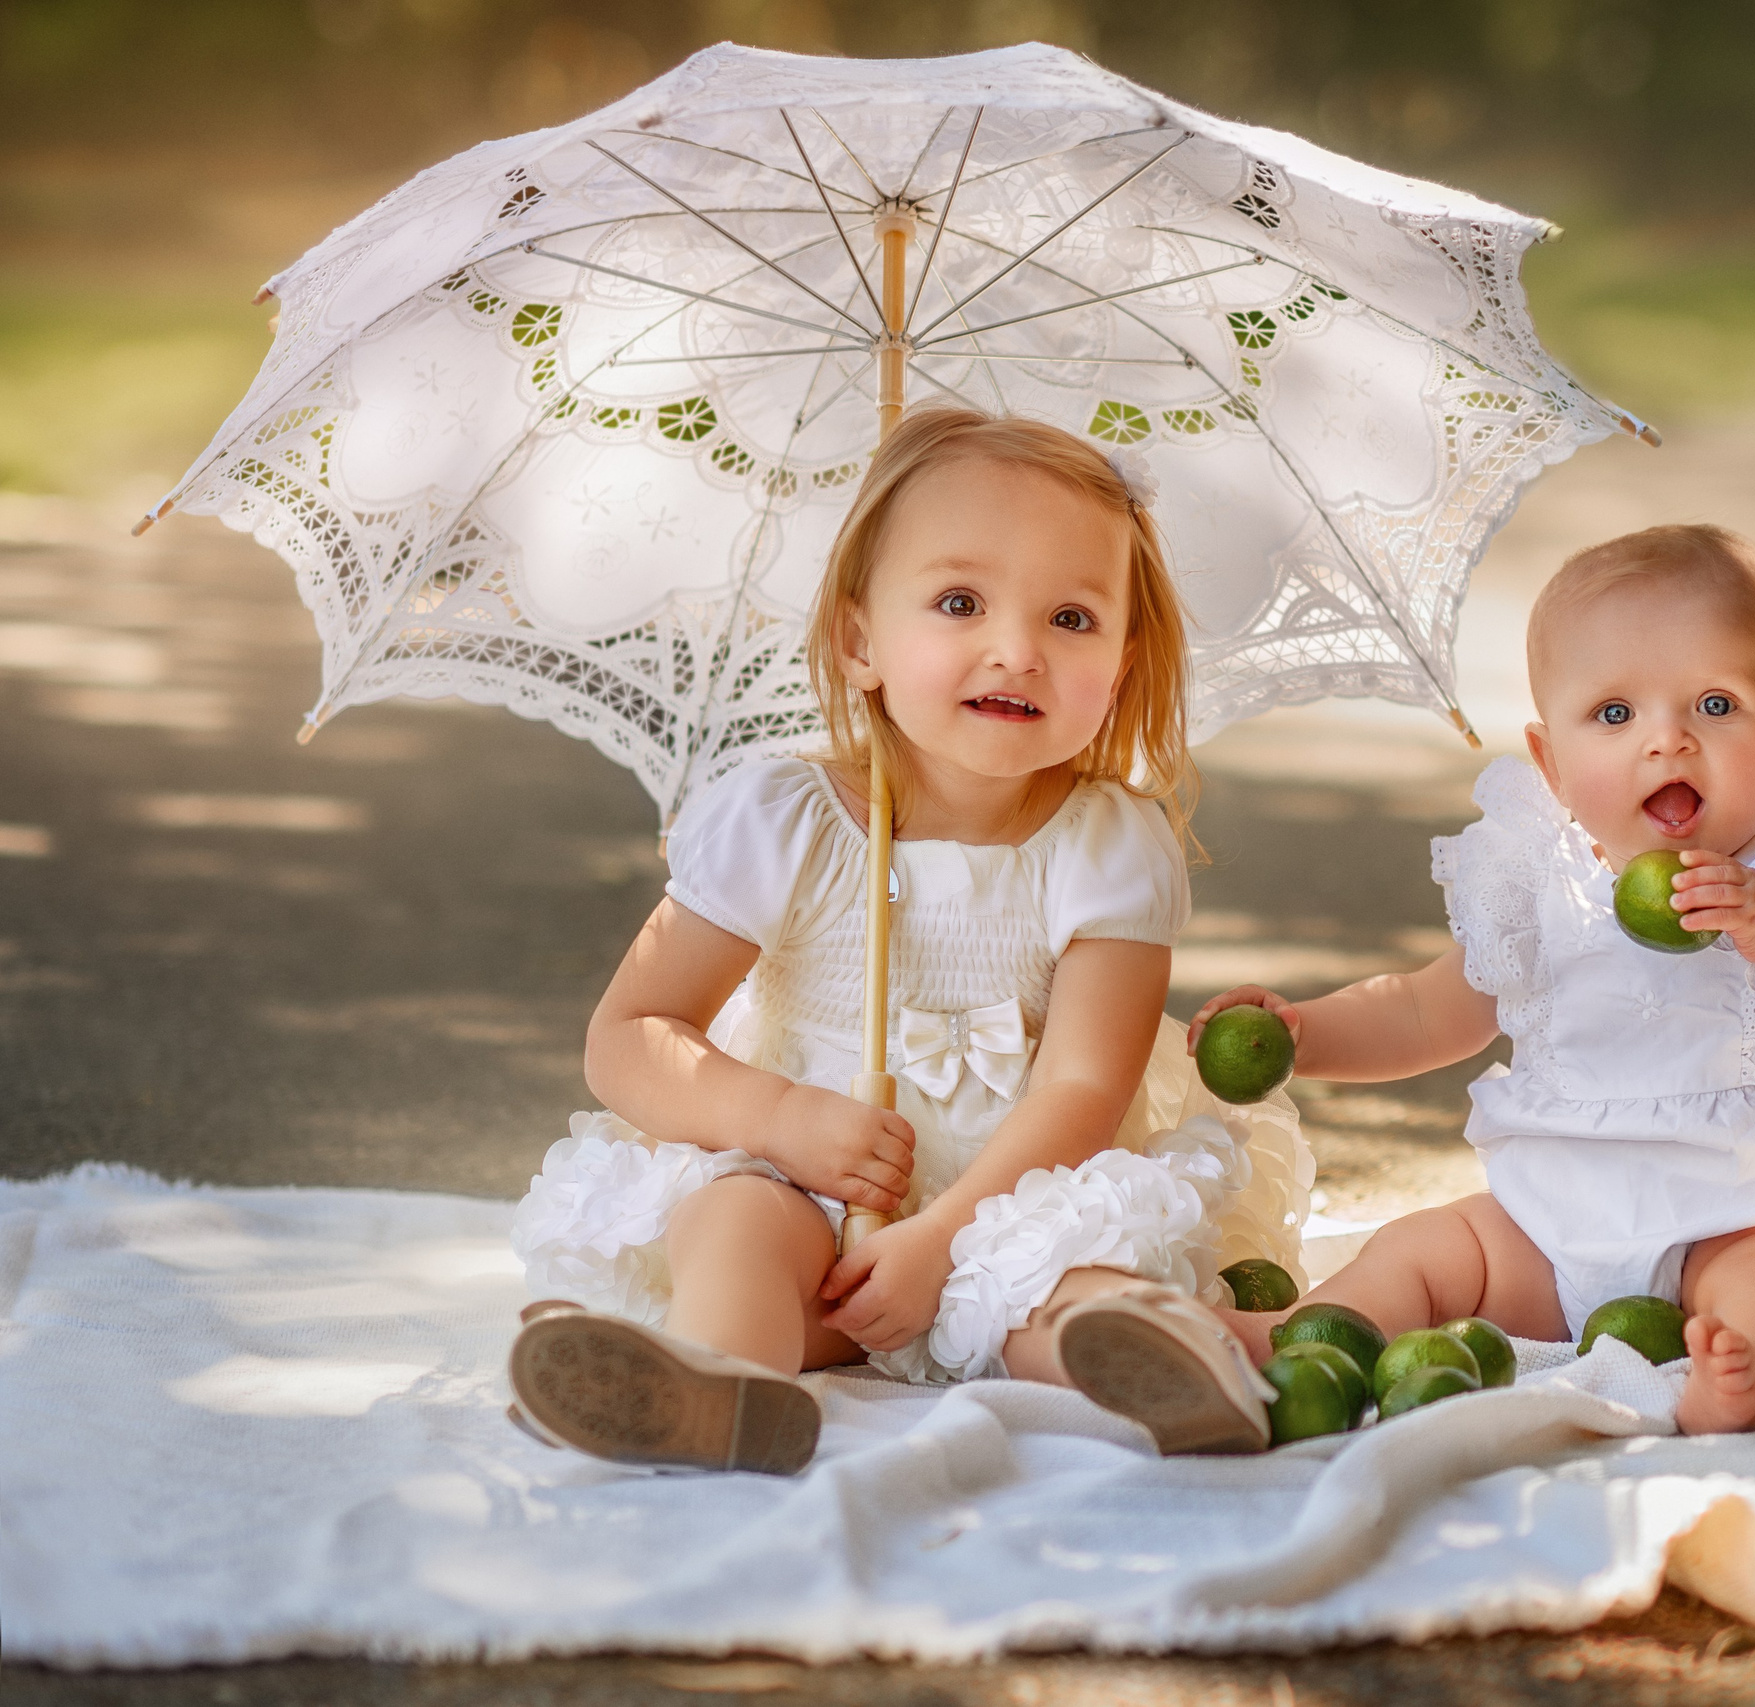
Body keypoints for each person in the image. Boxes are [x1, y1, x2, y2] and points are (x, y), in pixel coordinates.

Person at [505, 409, 1309, 1474]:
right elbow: (631, 1035)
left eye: (1072, 618)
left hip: (1011, 1190)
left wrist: (940, 1241)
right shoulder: (784, 821)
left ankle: (1169, 1372)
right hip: (805, 1194)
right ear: (859, 642)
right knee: (734, 1225)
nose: (1016, 650)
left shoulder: (1108, 843)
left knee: (1063, 1285)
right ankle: (722, 1386)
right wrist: (781, 1118)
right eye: (960, 602)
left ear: (1120, 664)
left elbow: (1082, 1090)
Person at [1069, 523, 1755, 1444]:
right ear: (1551, 763)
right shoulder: (1534, 882)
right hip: (1553, 1224)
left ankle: (1741, 1374)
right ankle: (1282, 1340)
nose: (1668, 743)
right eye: (1616, 715)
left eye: (1714, 705)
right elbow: (1428, 1010)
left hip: (1751, 1205)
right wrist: (1304, 1034)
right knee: (1427, 1251)